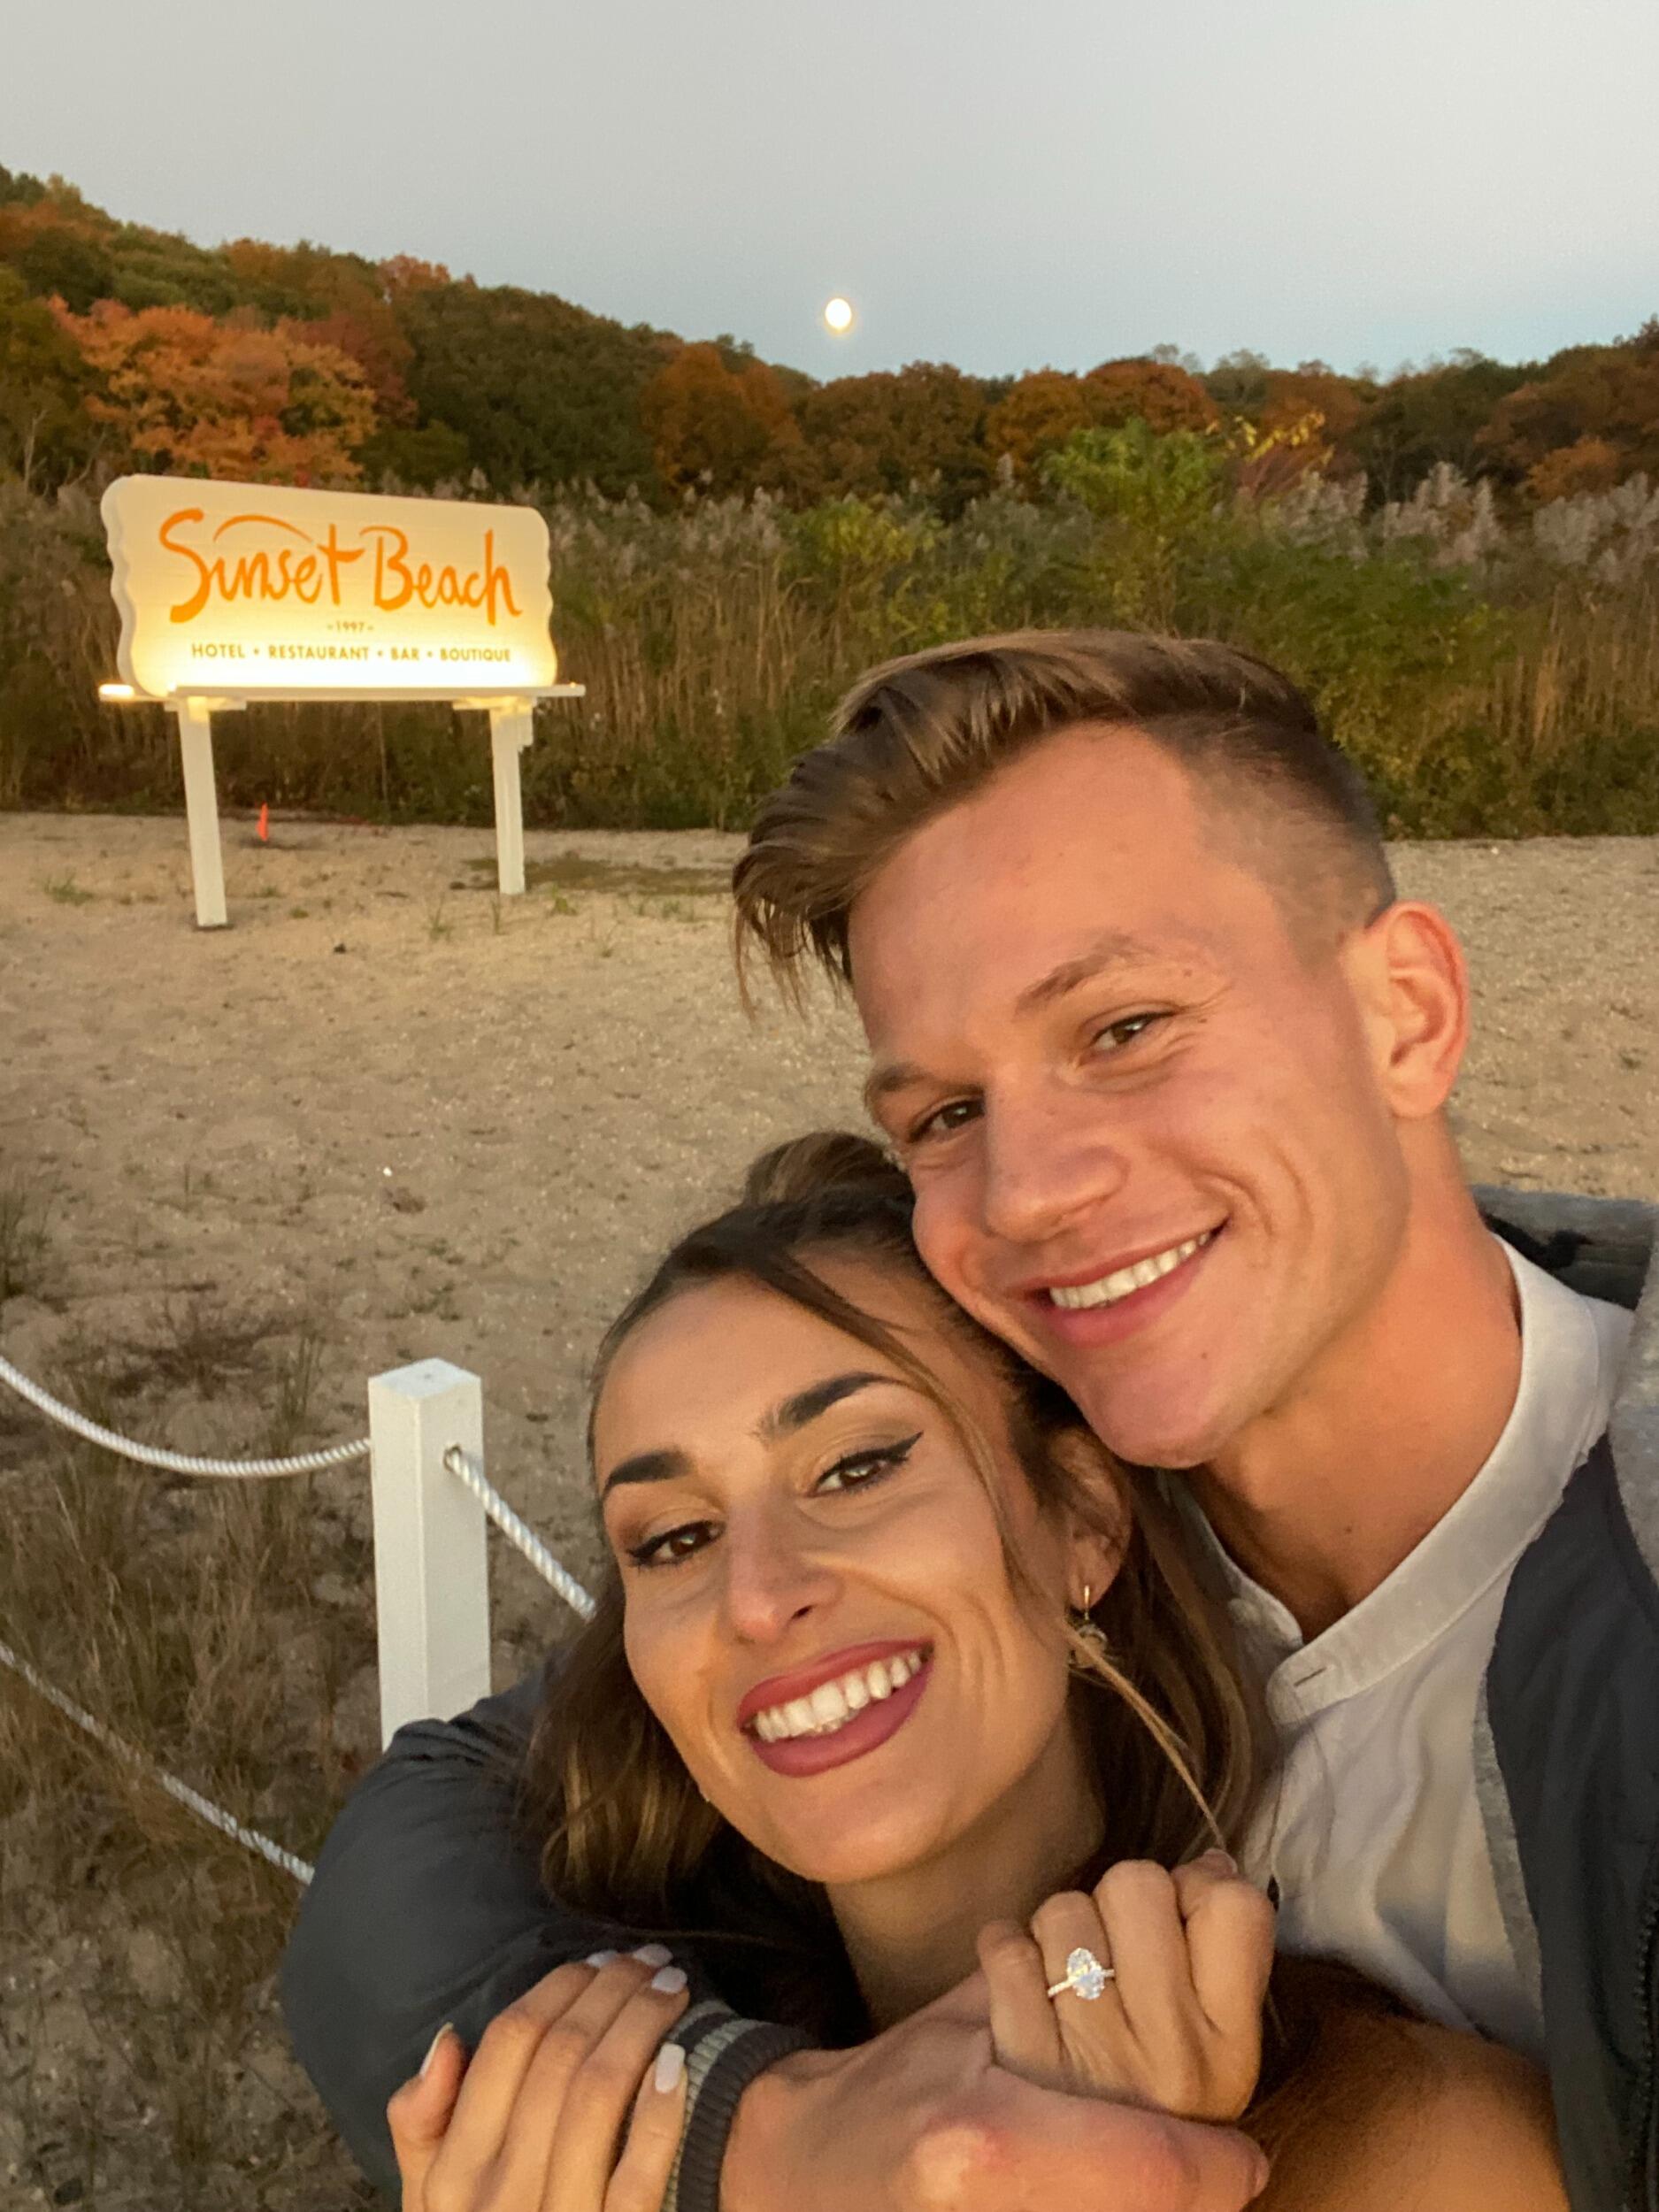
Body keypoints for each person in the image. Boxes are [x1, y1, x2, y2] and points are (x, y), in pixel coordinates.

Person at [282, 631, 1658, 2212]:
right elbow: (450, 1810)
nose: (1028, 1191)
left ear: (1407, 1011)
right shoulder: (1038, 1460)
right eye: (943, 1113)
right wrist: (761, 2135)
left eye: (1127, 1029)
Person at [383, 1134, 1565, 2212]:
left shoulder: (1407, 2142)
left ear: (1084, 1524)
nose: (755, 1596)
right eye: (673, 1538)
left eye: (856, 1468)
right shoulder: (604, 2100)